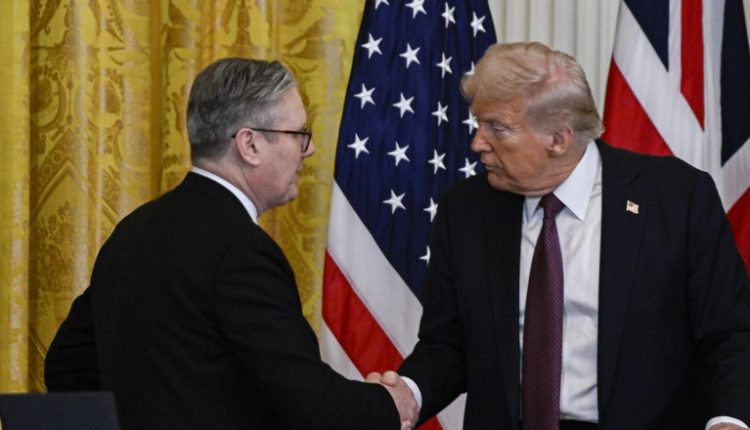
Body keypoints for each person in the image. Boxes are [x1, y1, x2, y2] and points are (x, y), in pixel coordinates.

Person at [375, 42, 750, 429]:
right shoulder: (466, 210)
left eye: (497, 129)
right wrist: (410, 393)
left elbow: (729, 332)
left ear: (558, 138)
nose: (477, 143)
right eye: (478, 124)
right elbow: (447, 344)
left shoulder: (675, 199)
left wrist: (730, 421)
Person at [44, 58, 418, 430]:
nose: (310, 149)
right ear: (249, 145)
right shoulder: (243, 251)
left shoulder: (133, 230)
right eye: (298, 134)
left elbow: (67, 365)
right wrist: (390, 403)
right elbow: (311, 402)